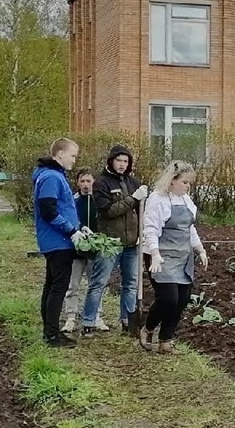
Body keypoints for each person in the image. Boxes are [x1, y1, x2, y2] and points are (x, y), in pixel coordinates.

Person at [139, 161, 208, 354]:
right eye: (185, 182)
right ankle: (148, 328)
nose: (188, 187)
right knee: (168, 298)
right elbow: (151, 229)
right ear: (172, 181)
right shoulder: (157, 199)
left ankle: (166, 341)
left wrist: (200, 249)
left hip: (182, 256)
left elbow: (189, 228)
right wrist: (154, 253)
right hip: (161, 255)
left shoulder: (186, 201)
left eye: (190, 183)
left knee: (182, 299)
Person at [82, 145, 147, 335]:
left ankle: (128, 322)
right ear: (111, 161)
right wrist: (133, 199)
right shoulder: (101, 184)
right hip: (110, 243)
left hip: (131, 244)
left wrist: (140, 233)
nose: (122, 164)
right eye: (119, 160)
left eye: (126, 161)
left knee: (130, 284)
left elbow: (140, 212)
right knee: (99, 282)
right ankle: (89, 321)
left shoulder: (133, 182)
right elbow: (109, 211)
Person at [33, 138, 85, 348]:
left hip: (57, 240)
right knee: (58, 288)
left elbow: (62, 209)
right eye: (72, 155)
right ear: (61, 154)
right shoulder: (52, 177)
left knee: (51, 285)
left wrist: (79, 227)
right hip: (58, 241)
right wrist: (71, 230)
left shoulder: (52, 175)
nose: (74, 160)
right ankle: (52, 335)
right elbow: (49, 211)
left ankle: (49, 330)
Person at [60, 169, 108, 335]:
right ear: (78, 183)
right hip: (76, 251)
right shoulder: (73, 201)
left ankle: (97, 316)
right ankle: (71, 317)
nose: (86, 185)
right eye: (83, 181)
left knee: (95, 285)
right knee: (73, 285)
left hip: (94, 250)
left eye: (89, 181)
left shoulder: (99, 201)